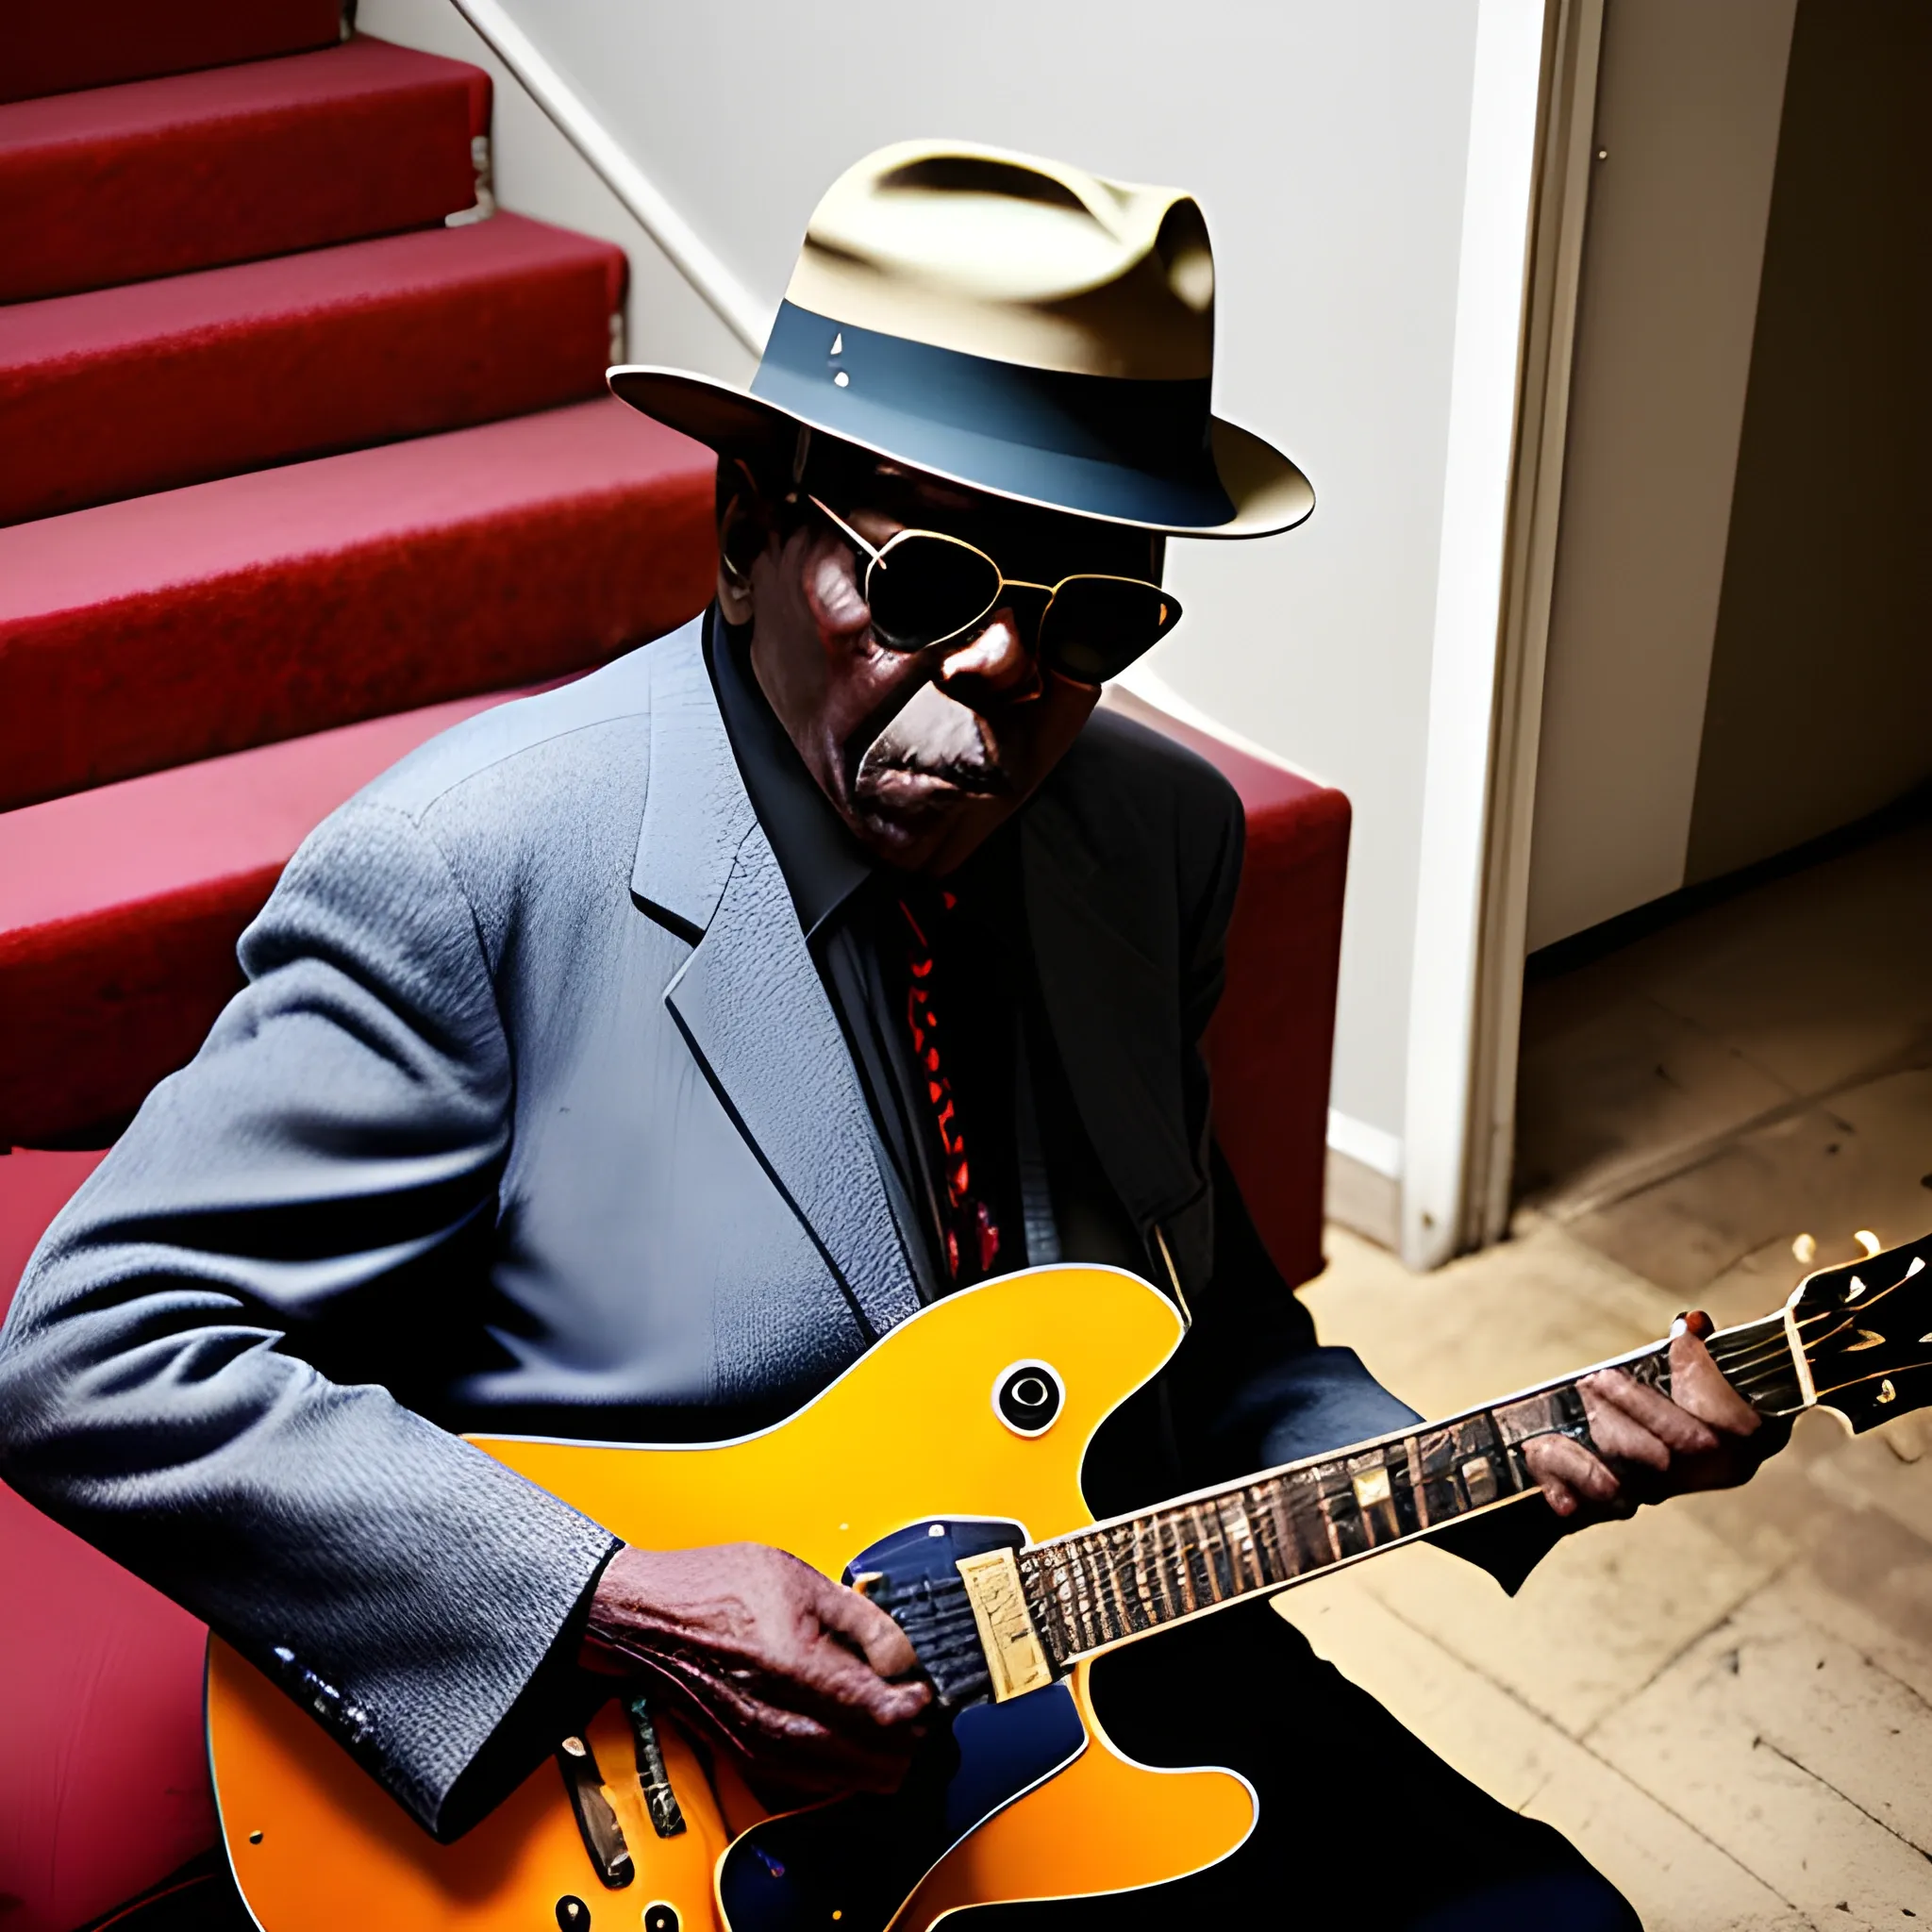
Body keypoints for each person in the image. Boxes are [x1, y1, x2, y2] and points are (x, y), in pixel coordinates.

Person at [0, 142, 1770, 1930]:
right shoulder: (466, 871)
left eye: (1092, 614)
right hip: (642, 1769)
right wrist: (615, 1599)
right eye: (930, 583)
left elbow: (1205, 1323)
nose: (1006, 669)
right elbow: (89, 1354)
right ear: (748, 525)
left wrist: (1482, 1465)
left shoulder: (1159, 841)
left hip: (1092, 1671)